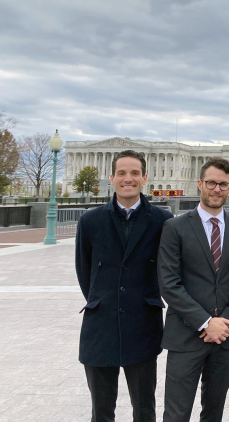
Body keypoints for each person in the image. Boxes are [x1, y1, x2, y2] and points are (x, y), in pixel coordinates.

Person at [76, 150, 172, 422]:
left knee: (144, 409)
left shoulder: (162, 220)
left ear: (144, 178)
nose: (127, 179)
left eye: (133, 173)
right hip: (100, 323)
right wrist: (102, 299)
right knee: (102, 411)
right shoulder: (90, 221)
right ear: (112, 178)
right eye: (121, 173)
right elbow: (85, 272)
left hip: (143, 322)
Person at [158, 157, 229, 422]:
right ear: (200, 183)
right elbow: (169, 282)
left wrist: (224, 323)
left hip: (226, 337)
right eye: (211, 183)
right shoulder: (174, 227)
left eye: (223, 184)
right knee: (176, 414)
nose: (216, 189)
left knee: (214, 413)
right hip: (186, 335)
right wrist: (204, 322)